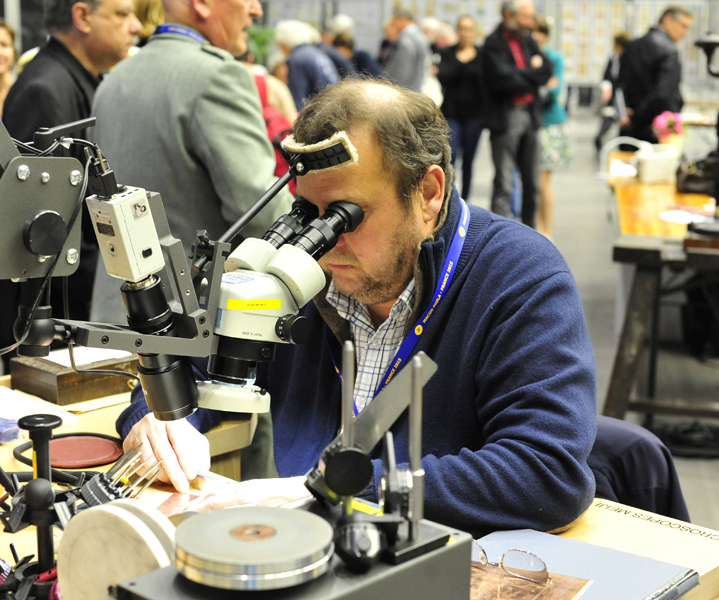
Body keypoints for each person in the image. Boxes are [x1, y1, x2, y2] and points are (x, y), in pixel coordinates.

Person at [116, 78, 598, 539]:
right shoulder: (298, 273)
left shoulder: (520, 275)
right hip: (319, 548)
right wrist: (155, 419)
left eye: (347, 215)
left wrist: (336, 488)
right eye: (309, 215)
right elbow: (178, 365)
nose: (323, 245)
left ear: (428, 194)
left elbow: (548, 472)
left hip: (448, 556)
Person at [89, 0, 294, 325]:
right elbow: (262, 213)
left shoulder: (113, 81)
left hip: (115, 318)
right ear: (201, 4)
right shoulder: (218, 76)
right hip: (189, 331)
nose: (256, 10)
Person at [0, 0, 141, 372]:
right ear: (82, 16)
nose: (135, 26)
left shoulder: (74, 80)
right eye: (122, 14)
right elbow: (39, 229)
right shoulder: (47, 88)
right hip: (50, 320)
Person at [482, 0, 551, 229]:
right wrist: (533, 73)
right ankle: (500, 237)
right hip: (506, 116)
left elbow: (547, 70)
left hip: (530, 116)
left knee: (532, 182)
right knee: (504, 183)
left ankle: (530, 232)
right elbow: (504, 80)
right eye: (525, 17)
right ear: (508, 15)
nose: (530, 23)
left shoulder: (528, 40)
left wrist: (526, 74)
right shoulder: (493, 43)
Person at [618, 6, 691, 144]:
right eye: (683, 26)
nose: (685, 33)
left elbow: (620, 85)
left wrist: (625, 116)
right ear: (668, 20)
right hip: (656, 129)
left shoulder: (632, 45)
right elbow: (662, 94)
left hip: (628, 128)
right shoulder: (669, 50)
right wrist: (636, 118)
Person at [436, 15, 485, 201]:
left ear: (474, 32)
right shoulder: (448, 53)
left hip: (474, 117)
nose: (465, 33)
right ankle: (450, 198)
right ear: (457, 31)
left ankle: (466, 200)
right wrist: (460, 59)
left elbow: (486, 85)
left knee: (469, 161)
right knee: (451, 157)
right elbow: (444, 77)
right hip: (452, 114)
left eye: (469, 29)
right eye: (462, 28)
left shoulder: (481, 54)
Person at [533, 15, 570, 240]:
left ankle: (546, 231)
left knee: (542, 182)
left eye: (541, 31)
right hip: (532, 124)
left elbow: (554, 90)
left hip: (550, 124)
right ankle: (537, 229)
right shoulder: (526, 58)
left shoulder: (553, 58)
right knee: (532, 181)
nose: (537, 36)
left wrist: (533, 84)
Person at [274, 20, 339, 111]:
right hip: (332, 108)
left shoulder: (297, 59)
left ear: (283, 44)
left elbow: (297, 101)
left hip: (319, 114)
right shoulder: (314, 52)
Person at [594, 31, 631, 153]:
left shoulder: (629, 60)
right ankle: (599, 140)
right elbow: (607, 76)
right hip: (614, 96)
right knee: (608, 119)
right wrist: (606, 88)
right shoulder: (613, 58)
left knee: (623, 123)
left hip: (624, 98)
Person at [380, 8, 431, 93]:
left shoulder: (407, 41)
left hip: (404, 93)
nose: (392, 23)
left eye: (394, 19)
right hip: (415, 91)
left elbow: (402, 74)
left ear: (403, 18)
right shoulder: (420, 37)